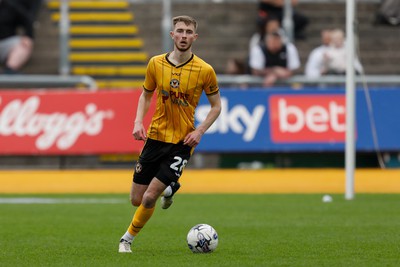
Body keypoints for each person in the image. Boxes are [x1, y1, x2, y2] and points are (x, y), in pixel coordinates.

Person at [118, 15, 222, 253]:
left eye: (188, 32)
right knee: (136, 198)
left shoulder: (205, 70)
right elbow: (146, 94)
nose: (184, 36)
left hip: (182, 142)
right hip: (155, 137)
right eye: (180, 31)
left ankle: (127, 239)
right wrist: (137, 122)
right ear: (172, 34)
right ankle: (171, 187)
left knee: (148, 198)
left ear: (195, 37)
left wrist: (200, 130)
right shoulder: (155, 63)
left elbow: (216, 106)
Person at [0, 0, 41, 74]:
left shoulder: (10, 5)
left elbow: (27, 20)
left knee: (23, 45)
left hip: (7, 42)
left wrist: (28, 36)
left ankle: (10, 71)